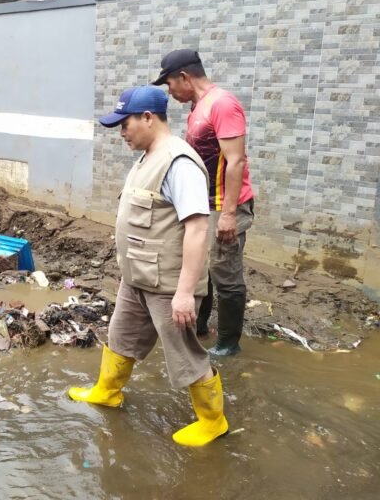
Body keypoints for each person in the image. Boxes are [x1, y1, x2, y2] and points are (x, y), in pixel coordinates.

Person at [68, 86, 228, 448]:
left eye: (124, 125)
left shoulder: (179, 163)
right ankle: (107, 391)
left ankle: (213, 421)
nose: (121, 133)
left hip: (168, 284)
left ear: (147, 118)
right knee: (121, 336)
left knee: (185, 355)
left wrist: (186, 293)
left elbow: (198, 228)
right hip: (137, 276)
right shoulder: (146, 158)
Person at [153, 50, 255, 356]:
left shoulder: (222, 104)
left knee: (225, 272)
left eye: (169, 83)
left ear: (184, 76)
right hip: (204, 202)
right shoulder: (198, 107)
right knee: (199, 267)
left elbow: (235, 162)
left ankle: (227, 343)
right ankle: (199, 327)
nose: (169, 91)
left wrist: (229, 215)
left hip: (224, 206)